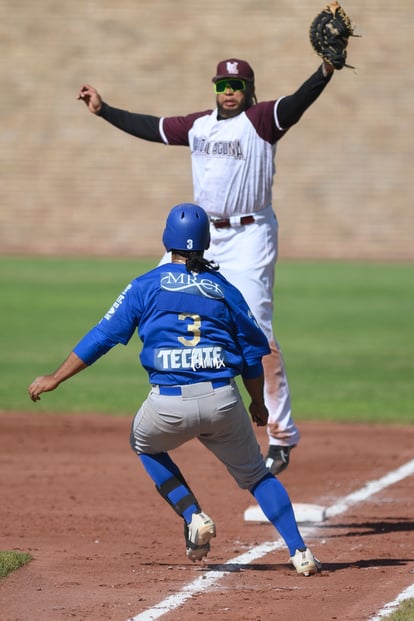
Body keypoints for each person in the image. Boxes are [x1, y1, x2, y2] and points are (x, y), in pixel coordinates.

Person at [28, 202, 321, 576]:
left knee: (144, 444)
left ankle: (193, 514)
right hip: (223, 401)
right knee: (256, 477)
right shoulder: (223, 289)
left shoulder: (145, 284)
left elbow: (102, 337)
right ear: (206, 243)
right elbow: (252, 353)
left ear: (167, 239)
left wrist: (55, 377)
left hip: (167, 405)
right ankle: (300, 552)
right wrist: (258, 403)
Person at [77, 56, 336, 475]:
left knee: (261, 336)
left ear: (249, 88)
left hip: (251, 235)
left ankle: (281, 434)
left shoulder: (263, 119)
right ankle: (179, 402)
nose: (229, 90)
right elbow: (151, 127)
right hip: (200, 236)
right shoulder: (198, 126)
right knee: (155, 295)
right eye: (222, 84)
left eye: (236, 84)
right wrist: (104, 110)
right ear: (214, 88)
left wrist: (325, 70)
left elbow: (299, 102)